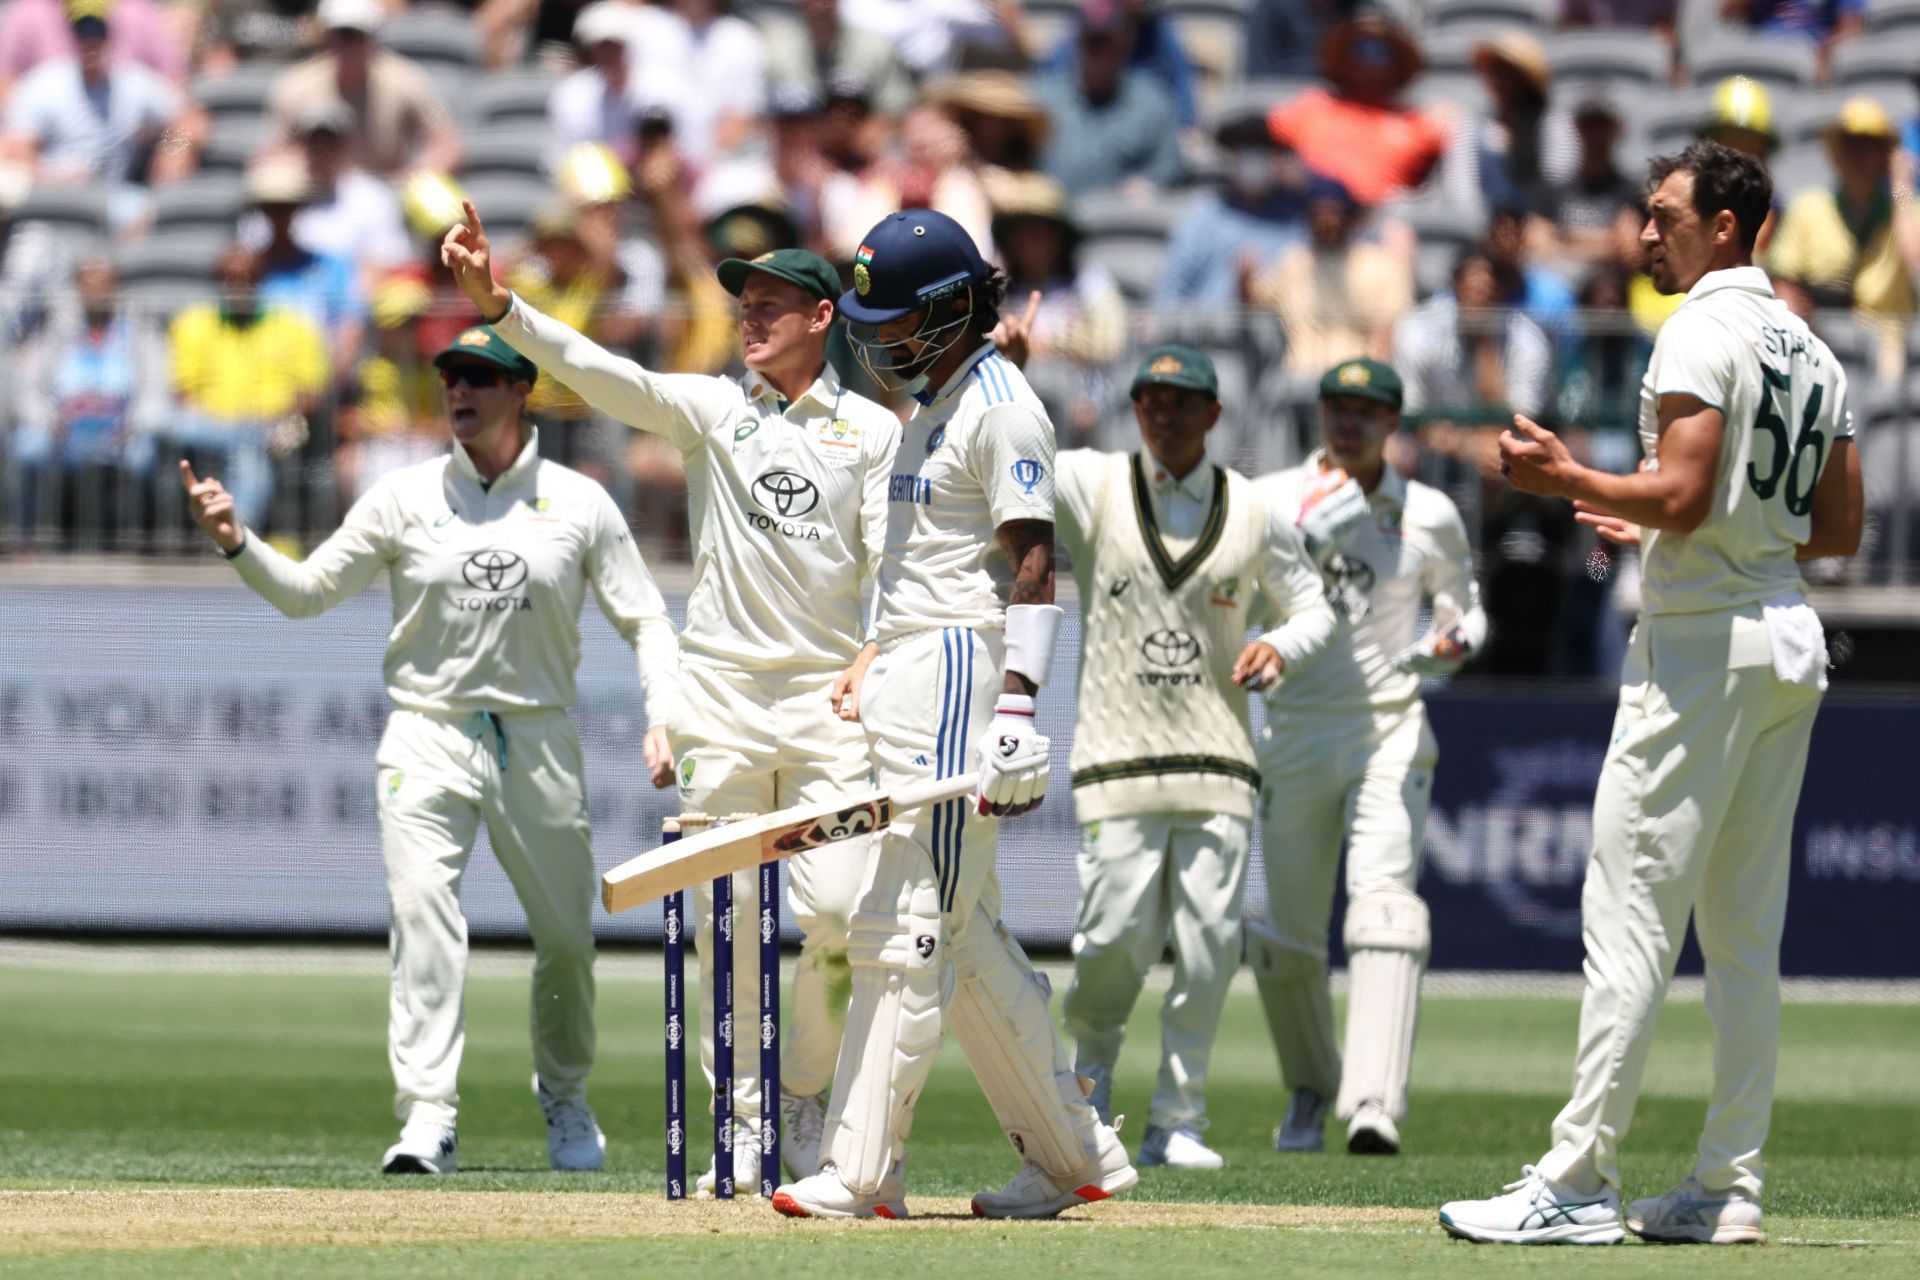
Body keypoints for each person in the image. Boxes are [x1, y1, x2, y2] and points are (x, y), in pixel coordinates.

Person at [1440, 140, 1863, 1244]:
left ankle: (1577, 1178)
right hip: (1782, 635)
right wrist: (1699, 520)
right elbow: (1838, 527)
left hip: (1703, 642)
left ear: (1726, 224)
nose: (1643, 233)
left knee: (1628, 917)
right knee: (1743, 940)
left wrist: (1574, 478)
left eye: (1665, 214)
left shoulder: (1699, 328)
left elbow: (1680, 486)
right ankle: (1729, 1185)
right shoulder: (1814, 351)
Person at [442, 206, 899, 1193]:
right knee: (724, 917)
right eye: (744, 305)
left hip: (828, 706)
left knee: (836, 911)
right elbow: (612, 375)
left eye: (772, 306)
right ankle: (740, 1116)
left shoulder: (870, 431)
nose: (750, 319)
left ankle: (806, 1097)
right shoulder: (714, 409)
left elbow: (896, 568)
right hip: (721, 697)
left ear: (825, 316)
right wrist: (503, 307)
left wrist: (871, 653)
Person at [180, 323, 680, 1176]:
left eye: (481, 377)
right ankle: (426, 1116)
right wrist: (238, 541)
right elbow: (308, 595)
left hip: (538, 736)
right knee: (423, 920)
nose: (460, 390)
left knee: (563, 937)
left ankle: (565, 1101)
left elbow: (645, 617)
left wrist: (664, 712)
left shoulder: (578, 501)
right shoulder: (401, 496)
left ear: (521, 391)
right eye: (450, 376)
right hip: (427, 729)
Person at [772, 209, 1135, 1220]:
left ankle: (862, 1170)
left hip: (961, 678)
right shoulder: (938, 401)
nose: (874, 336)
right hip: (914, 675)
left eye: (892, 320)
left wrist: (1018, 705)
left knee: (907, 923)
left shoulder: (1000, 405)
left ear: (944, 314)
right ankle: (1073, 1154)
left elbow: (1032, 561)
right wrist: (877, 657)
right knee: (963, 933)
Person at [1055, 345, 1335, 1169]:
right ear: (1134, 407)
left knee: (1211, 946)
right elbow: (1022, 448)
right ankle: (1090, 1091)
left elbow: (1314, 604)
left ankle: (1179, 1115)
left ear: (1215, 414)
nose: (1165, 413)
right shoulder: (1095, 485)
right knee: (1112, 939)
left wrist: (1280, 644)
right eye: (1151, 399)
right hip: (1115, 756)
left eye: (1183, 401)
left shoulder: (1250, 509)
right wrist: (1015, 369)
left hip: (1217, 759)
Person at [1250, 357, 1485, 1157]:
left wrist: (1449, 644)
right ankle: (1311, 1090)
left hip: (1389, 725)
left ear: (1393, 423)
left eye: (1367, 411)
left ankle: (1373, 1104)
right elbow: (1241, 598)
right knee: (1284, 940)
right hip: (1293, 729)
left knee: (1385, 906)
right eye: (1338, 408)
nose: (1349, 423)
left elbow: (1465, 608)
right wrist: (1304, 534)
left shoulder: (1430, 512)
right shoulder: (1274, 498)